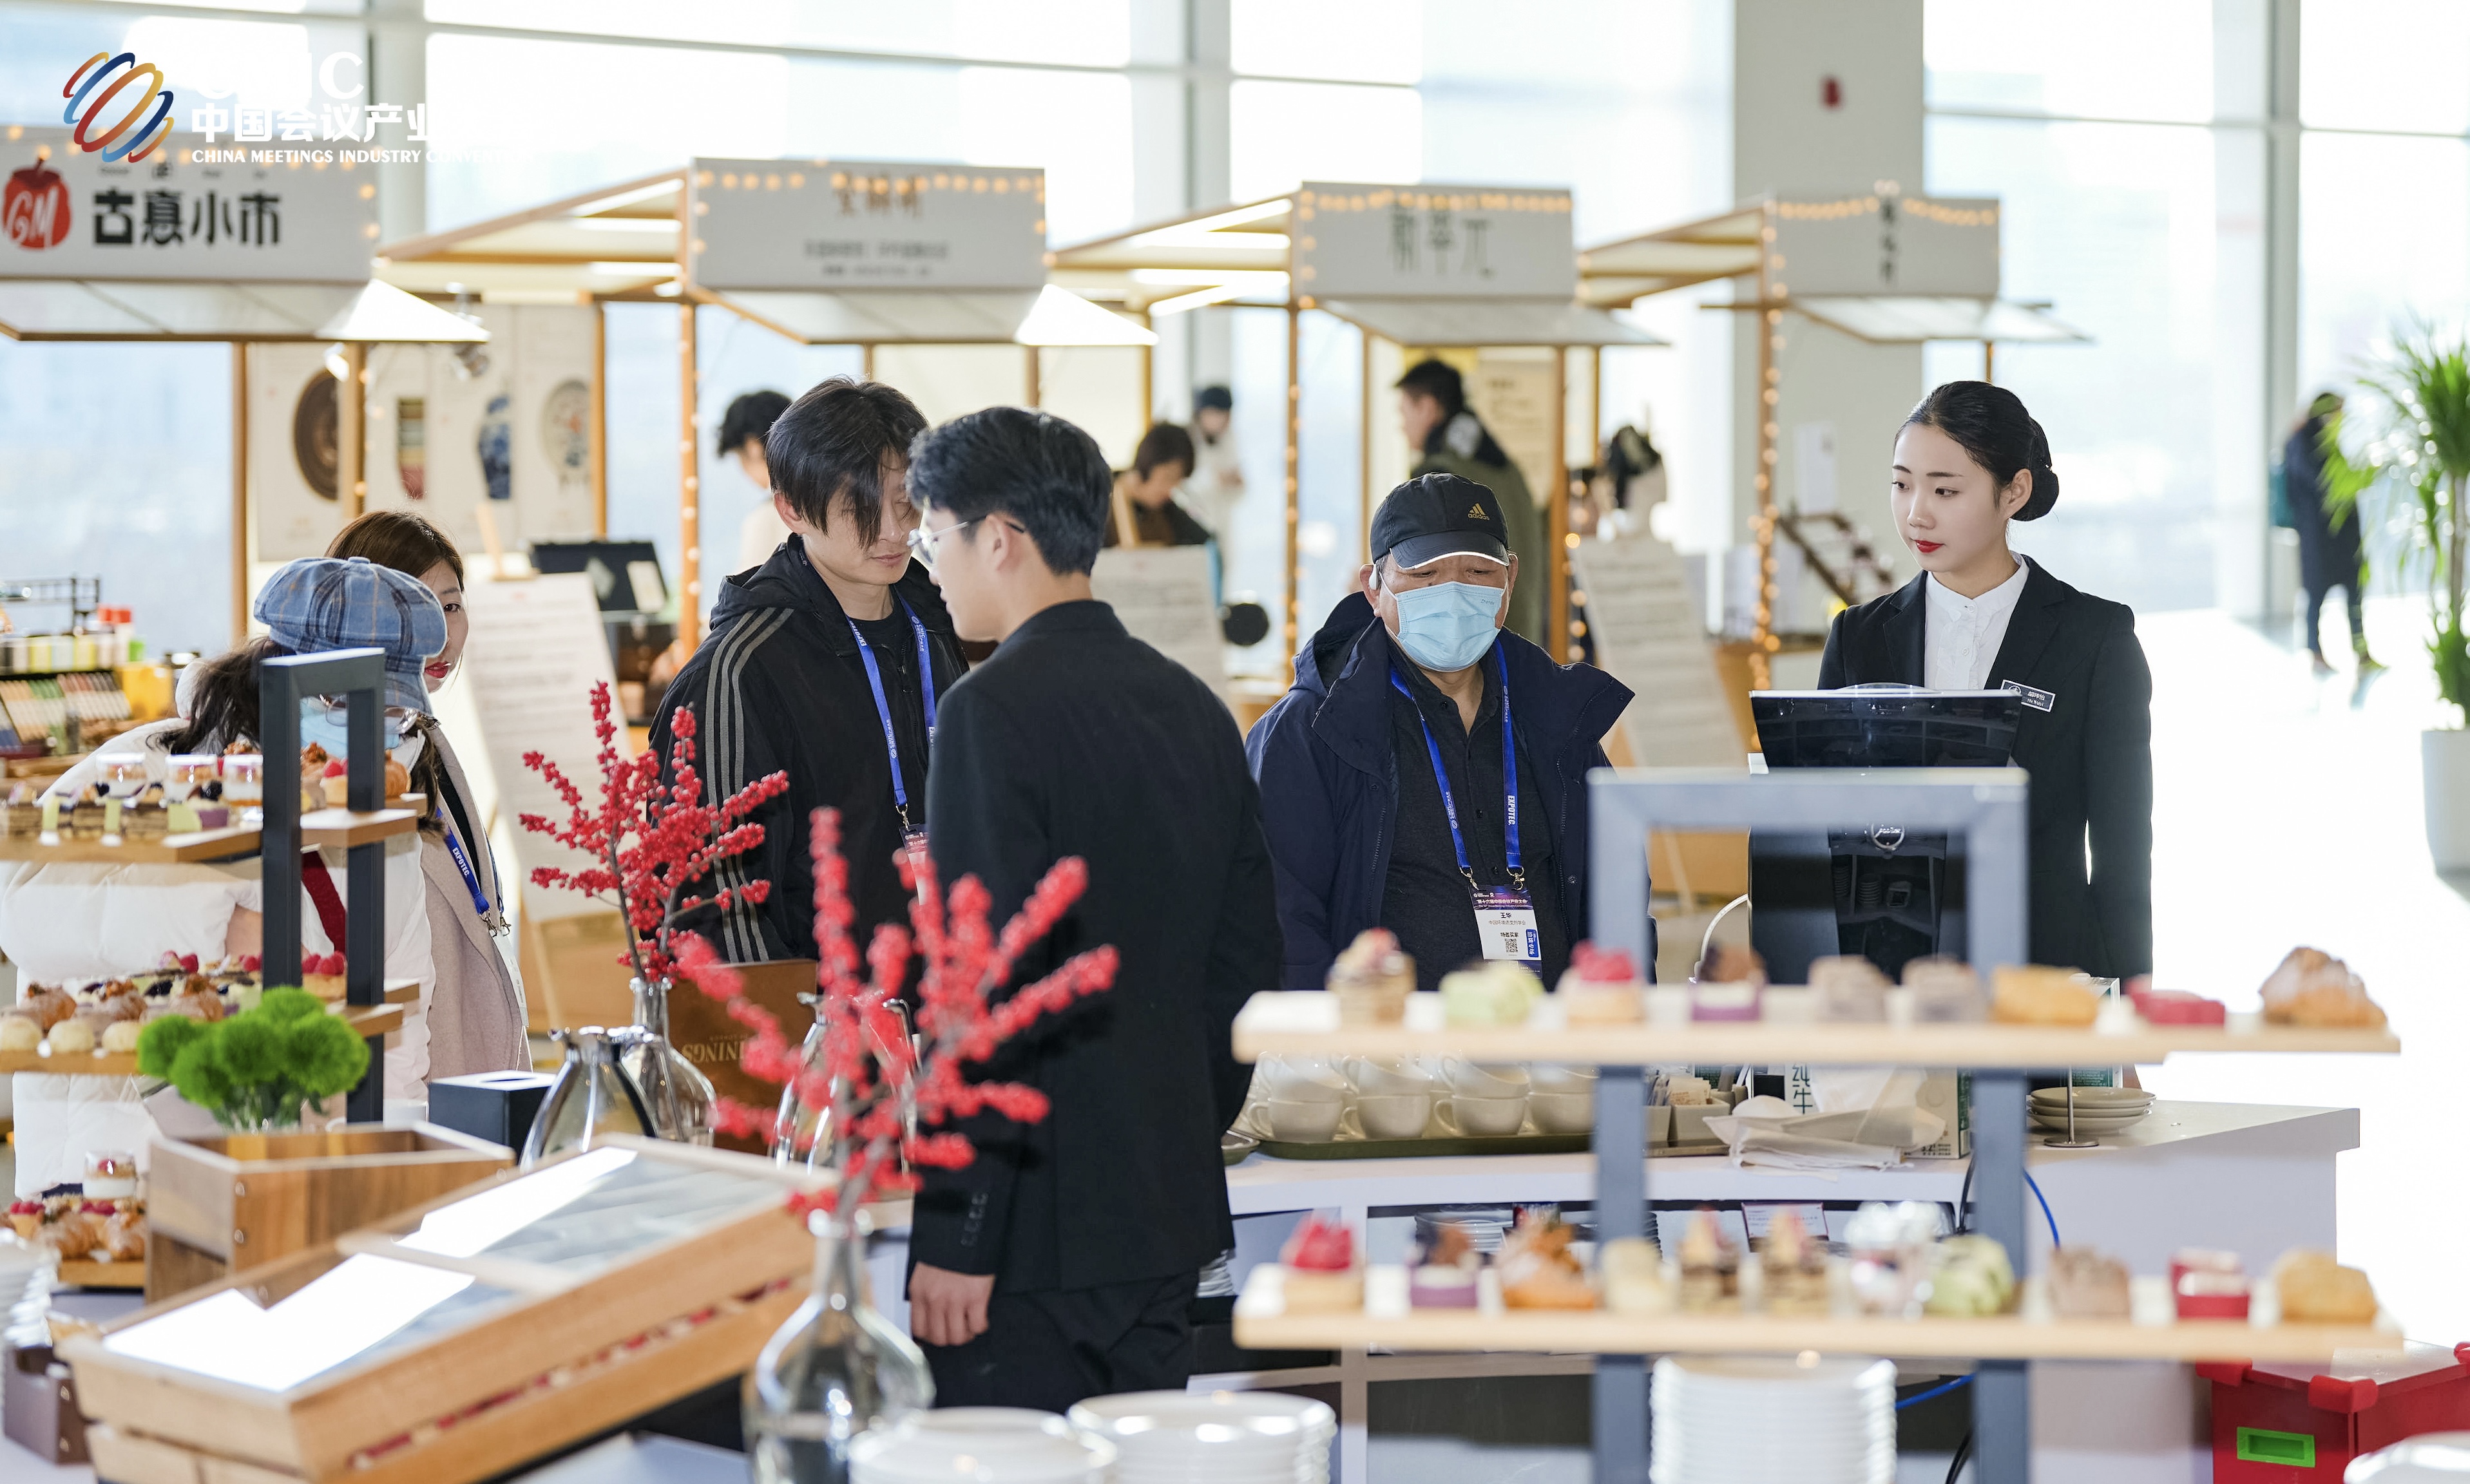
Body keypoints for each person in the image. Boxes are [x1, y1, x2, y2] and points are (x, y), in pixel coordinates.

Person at [901, 405, 1281, 1411]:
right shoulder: (1195, 706)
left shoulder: (986, 711)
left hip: (1033, 1231)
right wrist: (1175, 1118)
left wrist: (957, 1229)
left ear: (998, 538)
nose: (931, 568)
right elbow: (1246, 961)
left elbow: (981, 989)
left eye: (934, 538)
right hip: (1166, 1208)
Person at [0, 558, 445, 1189]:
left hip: (288, 1169)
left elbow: (401, 1018)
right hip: (114, 1171)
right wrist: (221, 920)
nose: (384, 734)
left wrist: (386, 1167)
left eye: (398, 716)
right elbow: (25, 916)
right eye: (348, 705)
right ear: (283, 680)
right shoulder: (144, 769)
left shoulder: (381, 820)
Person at [1818, 381, 2154, 980]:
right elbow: (1820, 826)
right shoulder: (1858, 638)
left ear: (2014, 492)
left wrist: (2131, 994)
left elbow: (2123, 845)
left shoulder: (2094, 638)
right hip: (1888, 975)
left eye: (1945, 490)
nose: (1917, 513)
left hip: (2043, 973)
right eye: (1902, 484)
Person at [1246, 473, 1631, 993]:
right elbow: (1282, 920)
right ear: (1373, 586)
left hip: (1555, 1032)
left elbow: (1617, 892)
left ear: (1510, 579)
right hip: (1387, 1036)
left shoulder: (1558, 718)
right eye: (1425, 574)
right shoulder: (1311, 731)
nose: (1452, 595)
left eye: (1478, 571)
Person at [653, 377, 966, 964]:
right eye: (860, 507)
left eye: (906, 501)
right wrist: (798, 1021)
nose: (893, 530)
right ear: (791, 509)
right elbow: (717, 904)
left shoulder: (935, 624)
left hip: (948, 993)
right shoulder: (740, 670)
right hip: (825, 1008)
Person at [325, 512, 529, 1079]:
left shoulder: (422, 733)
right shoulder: (334, 754)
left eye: (452, 606)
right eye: (414, 607)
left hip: (462, 1041)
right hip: (397, 1059)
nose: (441, 633)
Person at [1397, 358, 1545, 647]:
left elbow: (1426, 575)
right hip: (1522, 637)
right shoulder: (1506, 468)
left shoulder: (1438, 478)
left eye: (1404, 413)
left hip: (1470, 644)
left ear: (1427, 407)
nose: (1402, 427)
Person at [2284, 392, 2382, 676]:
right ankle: (2315, 653)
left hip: (2342, 537)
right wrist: (2356, 480)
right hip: (2319, 537)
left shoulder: (2328, 440)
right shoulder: (2302, 442)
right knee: (2316, 596)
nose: (2340, 418)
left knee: (2354, 593)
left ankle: (2361, 652)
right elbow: (2324, 484)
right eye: (2337, 411)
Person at [1105, 423, 1212, 548]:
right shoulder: (1101, 499)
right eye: (1168, 478)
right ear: (1147, 464)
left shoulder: (1168, 511)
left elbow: (1207, 542)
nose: (1170, 490)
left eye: (1178, 482)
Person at [725, 390, 796, 574]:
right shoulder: (822, 497)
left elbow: (746, 587)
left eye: (740, 456)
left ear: (753, 447)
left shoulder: (767, 515)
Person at [1183, 385, 1244, 536]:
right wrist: (1217, 479)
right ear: (1203, 413)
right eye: (1218, 414)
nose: (1224, 420)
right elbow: (1186, 486)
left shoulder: (1228, 440)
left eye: (1227, 415)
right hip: (1193, 521)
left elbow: (1239, 484)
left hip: (1220, 523)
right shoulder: (1187, 440)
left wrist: (1232, 481)